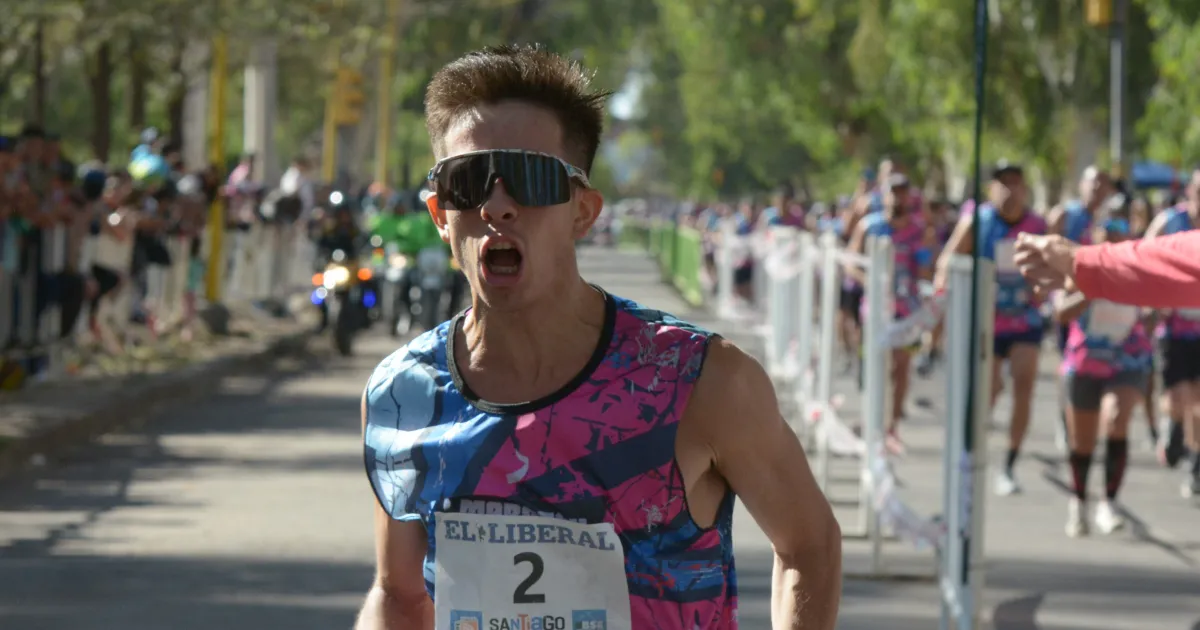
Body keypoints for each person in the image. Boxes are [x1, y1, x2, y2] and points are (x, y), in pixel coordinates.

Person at [356, 45, 840, 630]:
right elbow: (399, 595)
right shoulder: (403, 394)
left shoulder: (699, 381)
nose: (497, 207)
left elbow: (808, 547)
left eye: (530, 179)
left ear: (583, 212)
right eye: (469, 181)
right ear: (439, 213)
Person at [937, 163, 1046, 497]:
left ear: (1025, 189)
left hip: (1025, 320)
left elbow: (1049, 271)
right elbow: (947, 261)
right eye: (1003, 183)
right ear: (991, 189)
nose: (1009, 190)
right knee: (990, 387)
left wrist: (1041, 288)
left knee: (1024, 382)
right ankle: (973, 449)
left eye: (1016, 183)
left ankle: (1010, 463)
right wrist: (944, 298)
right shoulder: (978, 220)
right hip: (986, 320)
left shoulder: (1037, 225)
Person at [1053, 216, 1150, 537]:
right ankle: (1079, 501)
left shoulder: (1140, 268)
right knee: (1082, 441)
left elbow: (1157, 304)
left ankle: (1109, 503)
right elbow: (1060, 312)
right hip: (1085, 361)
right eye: (1106, 233)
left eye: (1119, 232)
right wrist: (1092, 290)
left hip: (1127, 359)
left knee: (1116, 418)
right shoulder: (1078, 267)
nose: (1112, 239)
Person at [845, 173, 933, 448]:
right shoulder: (869, 226)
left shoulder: (919, 229)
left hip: (907, 309)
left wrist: (923, 278)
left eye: (903, 191)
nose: (898, 197)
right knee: (874, 366)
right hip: (875, 309)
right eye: (893, 191)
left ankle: (892, 426)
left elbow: (927, 266)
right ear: (884, 195)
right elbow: (850, 262)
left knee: (901, 367)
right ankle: (871, 419)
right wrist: (870, 281)